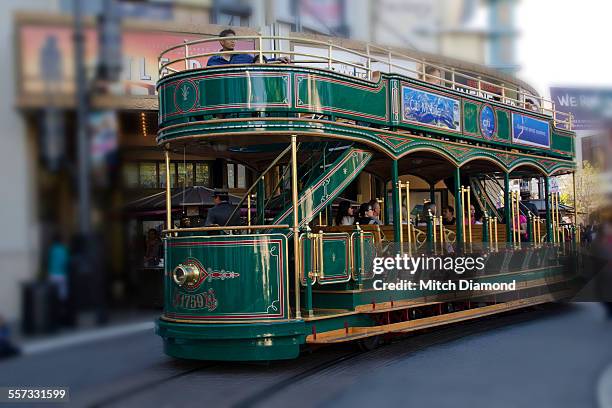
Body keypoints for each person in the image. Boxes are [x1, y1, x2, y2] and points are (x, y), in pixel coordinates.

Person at [207, 29, 290, 66]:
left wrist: (277, 59)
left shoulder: (243, 56)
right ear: (221, 42)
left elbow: (260, 62)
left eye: (234, 39)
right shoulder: (213, 60)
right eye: (230, 39)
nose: (233, 41)